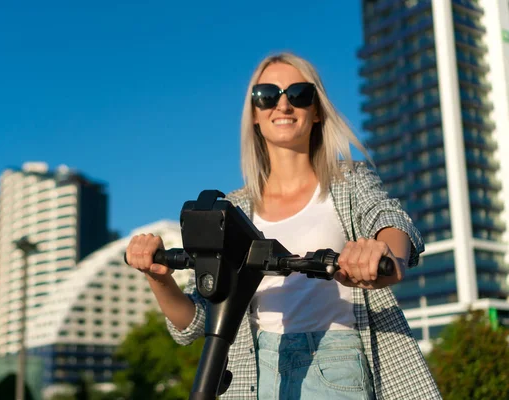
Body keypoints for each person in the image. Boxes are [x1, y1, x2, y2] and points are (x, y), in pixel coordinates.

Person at [125, 52, 441, 400]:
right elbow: (195, 321)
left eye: (299, 94)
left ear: (317, 110)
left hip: (336, 362)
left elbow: (388, 218)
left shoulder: (349, 181)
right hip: (254, 375)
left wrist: (387, 257)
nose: (284, 105)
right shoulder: (234, 209)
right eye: (267, 95)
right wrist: (158, 276)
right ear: (255, 115)